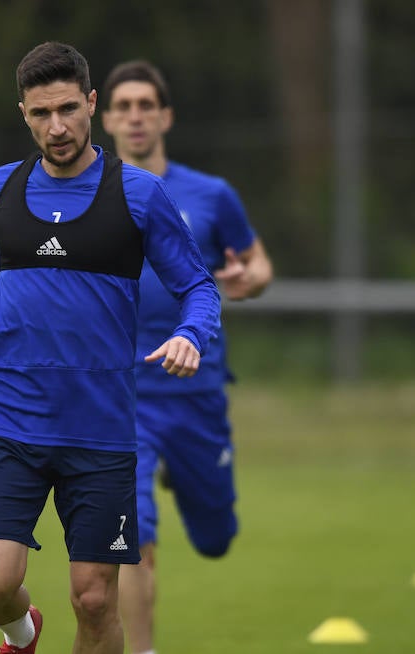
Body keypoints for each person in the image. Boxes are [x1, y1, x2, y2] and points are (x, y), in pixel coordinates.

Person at [0, 42, 221, 654]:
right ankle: (23, 633)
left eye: (69, 109)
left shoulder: (140, 195)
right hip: (9, 421)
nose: (58, 127)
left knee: (95, 600)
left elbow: (198, 287)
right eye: (41, 114)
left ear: (92, 104)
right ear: (23, 113)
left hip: (100, 431)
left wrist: (188, 334)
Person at [100, 60, 273, 654]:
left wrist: (251, 279)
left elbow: (258, 263)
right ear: (106, 117)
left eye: (146, 104)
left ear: (165, 115)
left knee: (216, 538)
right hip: (122, 396)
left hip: (195, 393)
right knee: (134, 538)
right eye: (123, 106)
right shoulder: (86, 196)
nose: (135, 115)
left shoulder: (210, 194)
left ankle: (186, 472)